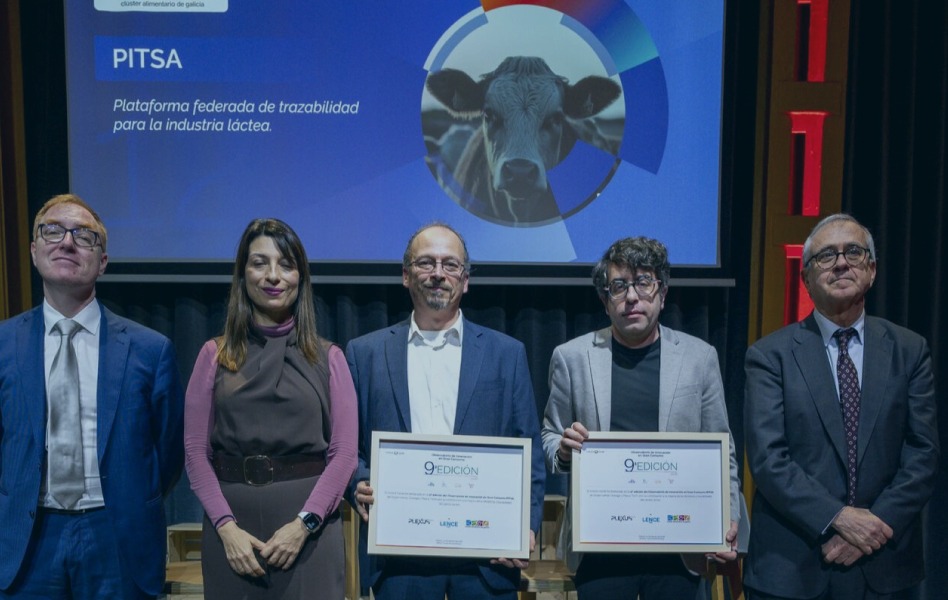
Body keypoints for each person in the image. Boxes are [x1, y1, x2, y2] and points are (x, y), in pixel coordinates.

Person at [345, 222, 545, 600]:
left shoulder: (507, 354)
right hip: (400, 562)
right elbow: (346, 449)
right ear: (405, 276)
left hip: (487, 560)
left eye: (450, 265)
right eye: (426, 263)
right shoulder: (365, 353)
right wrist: (359, 483)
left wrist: (526, 526)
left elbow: (529, 449)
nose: (438, 273)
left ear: (465, 280)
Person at [743, 214, 939, 600]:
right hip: (792, 568)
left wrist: (874, 526)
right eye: (826, 256)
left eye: (853, 251)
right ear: (806, 279)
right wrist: (839, 519)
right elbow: (769, 460)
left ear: (872, 270)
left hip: (884, 566)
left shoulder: (910, 350)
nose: (841, 262)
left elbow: (923, 453)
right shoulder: (769, 356)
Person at [0, 194, 184, 599]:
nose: (66, 242)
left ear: (102, 261)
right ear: (34, 252)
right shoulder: (2, 345)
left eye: (83, 236)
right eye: (52, 230)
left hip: (117, 537)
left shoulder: (150, 350)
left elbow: (167, 453)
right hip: (27, 538)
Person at [542, 236, 741, 600]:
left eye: (643, 283)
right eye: (618, 286)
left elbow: (721, 449)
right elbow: (550, 436)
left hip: (680, 548)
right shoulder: (571, 357)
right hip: (599, 547)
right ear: (605, 301)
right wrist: (565, 451)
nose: (631, 296)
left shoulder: (700, 357)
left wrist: (728, 517)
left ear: (662, 294)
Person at [183, 218, 357, 599]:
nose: (273, 276)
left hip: (309, 532)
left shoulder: (330, 359)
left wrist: (304, 525)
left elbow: (343, 455)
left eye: (286, 264)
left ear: (301, 276)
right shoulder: (213, 356)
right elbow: (196, 454)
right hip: (232, 535)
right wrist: (226, 528)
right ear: (243, 273)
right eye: (260, 263)